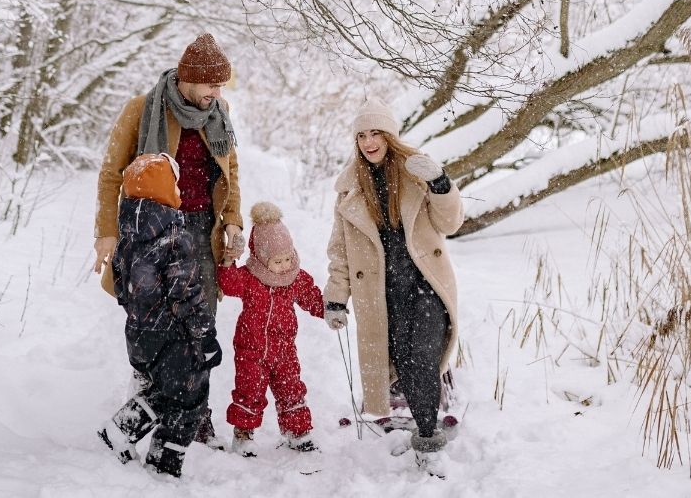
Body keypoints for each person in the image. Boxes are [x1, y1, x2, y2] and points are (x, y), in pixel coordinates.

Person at [93, 33, 244, 447]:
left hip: (204, 229)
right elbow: (111, 174)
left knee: (200, 323)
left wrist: (233, 221)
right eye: (211, 85)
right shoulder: (142, 110)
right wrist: (106, 233)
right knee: (155, 323)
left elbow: (231, 171)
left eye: (220, 87)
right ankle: (147, 398)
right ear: (189, 80)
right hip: (152, 228)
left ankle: (197, 416)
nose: (217, 93)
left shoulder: (220, 112)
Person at [323, 97, 464, 479]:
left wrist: (439, 182)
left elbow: (450, 222)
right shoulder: (350, 189)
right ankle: (425, 415)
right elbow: (340, 252)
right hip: (383, 296)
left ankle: (430, 444)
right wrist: (336, 297)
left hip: (426, 285)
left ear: (390, 136)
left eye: (376, 133)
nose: (369, 142)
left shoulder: (416, 171)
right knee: (404, 364)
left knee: (420, 358)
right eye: (362, 135)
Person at [97, 153, 223, 478]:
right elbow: (186, 294)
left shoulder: (128, 237)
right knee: (189, 398)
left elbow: (122, 290)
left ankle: (121, 430)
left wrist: (142, 316)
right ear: (167, 191)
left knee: (166, 392)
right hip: (175, 336)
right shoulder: (174, 238)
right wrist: (205, 335)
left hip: (139, 335)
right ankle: (164, 465)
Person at [217, 202, 324, 458]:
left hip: (285, 349)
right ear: (262, 259)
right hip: (251, 350)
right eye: (278, 261)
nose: (285, 265)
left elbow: (311, 296)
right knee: (249, 390)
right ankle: (243, 436)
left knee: (291, 388)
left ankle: (296, 432)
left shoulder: (295, 277)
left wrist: (329, 309)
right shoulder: (250, 278)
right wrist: (229, 260)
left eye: (288, 257)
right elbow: (229, 283)